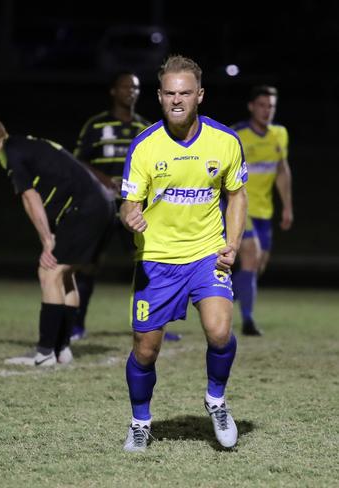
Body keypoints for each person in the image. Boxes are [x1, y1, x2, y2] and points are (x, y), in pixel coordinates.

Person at [119, 55, 248, 451]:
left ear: (200, 96)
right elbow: (127, 204)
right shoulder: (144, 146)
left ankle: (216, 399)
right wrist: (130, 218)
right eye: (170, 93)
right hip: (156, 259)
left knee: (220, 331)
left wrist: (234, 243)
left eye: (185, 93)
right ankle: (141, 422)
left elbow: (237, 195)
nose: (177, 100)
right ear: (159, 96)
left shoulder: (225, 141)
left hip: (207, 254)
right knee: (145, 350)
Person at [0, 115, 115, 366]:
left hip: (85, 208)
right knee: (65, 273)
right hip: (101, 204)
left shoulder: (11, 154)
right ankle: (62, 349)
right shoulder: (25, 144)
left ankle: (45, 352)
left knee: (49, 271)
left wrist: (47, 239)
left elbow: (31, 198)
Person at [73, 72, 180, 342]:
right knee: (89, 264)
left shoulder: (146, 129)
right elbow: (77, 162)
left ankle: (154, 324)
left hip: (134, 208)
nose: (130, 92)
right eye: (124, 87)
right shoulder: (96, 126)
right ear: (113, 91)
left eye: (134, 88)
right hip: (100, 205)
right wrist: (105, 180)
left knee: (148, 263)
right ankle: (76, 325)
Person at [231, 86, 293, 336]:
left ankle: (211, 293)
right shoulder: (236, 135)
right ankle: (248, 321)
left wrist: (287, 206)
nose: (267, 111)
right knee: (251, 257)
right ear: (250, 106)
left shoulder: (279, 134)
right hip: (240, 208)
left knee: (256, 268)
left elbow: (281, 170)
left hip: (265, 212)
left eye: (271, 106)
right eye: (262, 105)